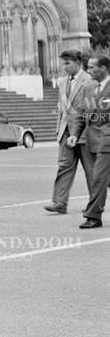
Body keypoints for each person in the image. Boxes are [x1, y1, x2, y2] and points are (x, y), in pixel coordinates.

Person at [44, 50, 94, 214]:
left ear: (78, 62)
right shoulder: (63, 81)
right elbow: (61, 109)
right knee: (64, 167)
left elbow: (91, 110)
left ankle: (94, 203)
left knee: (91, 170)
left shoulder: (89, 80)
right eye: (63, 63)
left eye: (68, 63)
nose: (64, 67)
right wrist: (58, 128)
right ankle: (59, 202)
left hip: (85, 133)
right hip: (66, 132)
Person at [70, 55, 110, 229]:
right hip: (90, 140)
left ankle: (93, 215)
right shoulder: (88, 88)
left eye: (93, 67)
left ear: (104, 68)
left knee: (98, 178)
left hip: (107, 140)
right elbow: (80, 113)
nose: (89, 71)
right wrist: (74, 134)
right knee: (104, 179)